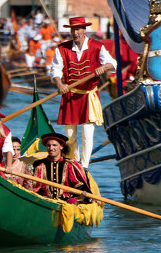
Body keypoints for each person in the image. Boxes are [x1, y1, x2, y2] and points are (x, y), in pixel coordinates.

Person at [48, 16, 115, 168]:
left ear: (84, 30)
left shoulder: (97, 46)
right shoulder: (62, 48)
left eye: (78, 29)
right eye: (73, 30)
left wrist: (104, 67)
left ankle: (84, 166)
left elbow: (113, 64)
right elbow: (55, 70)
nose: (76, 32)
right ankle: (74, 162)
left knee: (87, 134)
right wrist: (60, 83)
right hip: (70, 94)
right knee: (70, 136)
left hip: (88, 95)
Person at [31, 132, 91, 203]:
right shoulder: (39, 164)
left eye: (54, 145)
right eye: (48, 145)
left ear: (61, 147)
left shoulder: (70, 164)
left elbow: (80, 186)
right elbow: (35, 186)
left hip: (66, 201)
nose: (51, 148)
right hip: (44, 201)